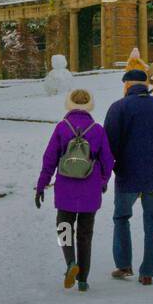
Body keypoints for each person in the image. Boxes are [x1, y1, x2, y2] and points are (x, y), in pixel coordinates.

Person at [104, 69, 153, 286]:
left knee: (121, 217)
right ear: (145, 85)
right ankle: (147, 272)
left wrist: (110, 172)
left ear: (127, 85)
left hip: (127, 174)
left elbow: (109, 146)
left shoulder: (118, 108)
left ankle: (124, 264)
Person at [36, 88, 114, 292]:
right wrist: (102, 181)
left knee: (63, 227)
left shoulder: (62, 127)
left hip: (65, 188)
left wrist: (42, 184)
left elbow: (49, 159)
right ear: (90, 105)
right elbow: (108, 160)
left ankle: (70, 262)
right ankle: (83, 280)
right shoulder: (97, 129)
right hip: (90, 189)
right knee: (85, 234)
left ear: (69, 104)